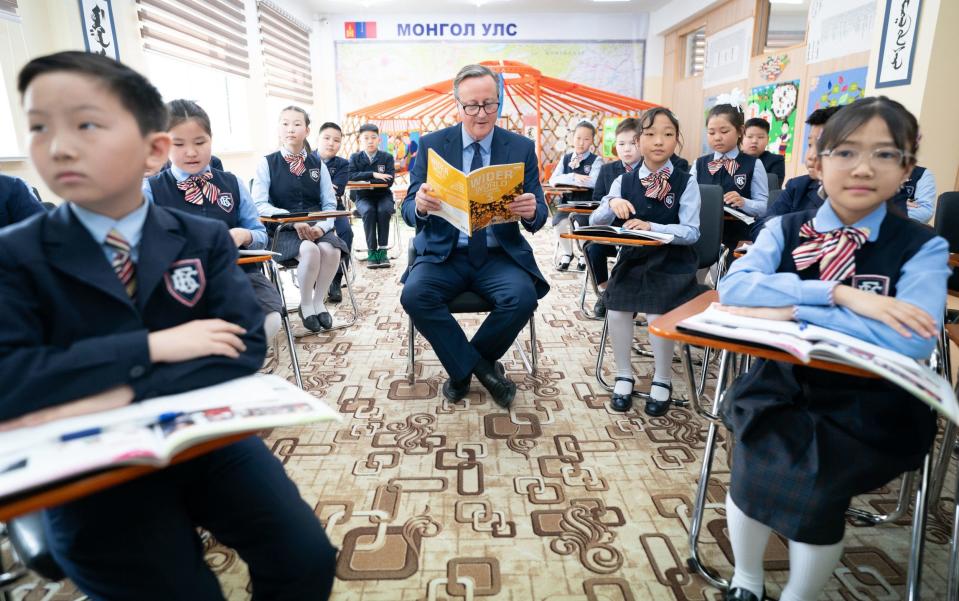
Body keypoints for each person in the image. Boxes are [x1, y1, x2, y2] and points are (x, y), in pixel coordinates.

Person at [0, 51, 336, 601]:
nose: (57, 146)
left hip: (204, 439)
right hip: (90, 468)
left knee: (305, 557)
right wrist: (154, 346)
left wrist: (102, 387)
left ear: (153, 149)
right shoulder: (15, 256)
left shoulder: (201, 238)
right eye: (39, 127)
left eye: (86, 125)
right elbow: (11, 379)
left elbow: (243, 346)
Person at [716, 96, 948, 601]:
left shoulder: (920, 246)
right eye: (846, 152)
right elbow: (735, 289)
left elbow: (913, 336)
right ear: (818, 161)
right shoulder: (784, 228)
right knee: (752, 465)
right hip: (780, 386)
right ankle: (747, 579)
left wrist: (789, 308)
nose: (863, 167)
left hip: (873, 403)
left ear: (906, 167)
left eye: (885, 155)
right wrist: (839, 295)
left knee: (817, 484)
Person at [400, 63, 549, 409]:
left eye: (490, 104)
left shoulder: (520, 147)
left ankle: (462, 368)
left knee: (523, 297)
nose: (481, 114)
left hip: (499, 256)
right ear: (457, 104)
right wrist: (420, 205)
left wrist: (530, 210)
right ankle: (483, 369)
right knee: (415, 295)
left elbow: (540, 213)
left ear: (499, 102)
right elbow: (408, 209)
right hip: (443, 254)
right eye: (472, 105)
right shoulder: (434, 145)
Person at [590, 107, 702, 417]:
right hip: (634, 258)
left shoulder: (685, 181)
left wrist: (654, 227)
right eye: (650, 134)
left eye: (668, 134)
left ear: (676, 140)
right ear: (638, 141)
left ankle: (663, 378)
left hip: (673, 260)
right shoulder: (624, 181)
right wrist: (611, 203)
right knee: (616, 308)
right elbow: (597, 218)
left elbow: (691, 232)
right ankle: (624, 374)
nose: (658, 141)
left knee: (656, 312)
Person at [144, 99, 282, 341]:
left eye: (200, 142)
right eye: (179, 144)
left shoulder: (232, 183)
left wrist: (243, 235)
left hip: (238, 275)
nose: (191, 152)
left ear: (211, 140)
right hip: (181, 280)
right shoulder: (152, 189)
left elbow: (260, 235)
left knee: (270, 318)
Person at [252, 106, 348, 332]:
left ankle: (318, 302)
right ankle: (306, 304)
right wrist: (292, 221)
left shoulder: (317, 164)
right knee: (310, 251)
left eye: (296, 124)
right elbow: (259, 204)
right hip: (282, 229)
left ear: (307, 130)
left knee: (332, 250)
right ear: (278, 128)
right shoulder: (267, 163)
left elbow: (329, 204)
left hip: (316, 225)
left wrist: (323, 227)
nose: (290, 129)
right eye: (284, 123)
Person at [749, 106, 841, 240]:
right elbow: (759, 227)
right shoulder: (797, 187)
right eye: (810, 145)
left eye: (822, 146)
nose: (810, 156)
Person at [692, 104, 768, 255]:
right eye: (711, 132)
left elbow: (764, 207)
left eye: (724, 131)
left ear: (740, 131)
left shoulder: (754, 164)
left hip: (739, 237)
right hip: (702, 235)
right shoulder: (699, 164)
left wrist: (744, 202)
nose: (717, 137)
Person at [585, 118, 642, 318]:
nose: (627, 149)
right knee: (593, 248)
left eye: (633, 143)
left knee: (631, 252)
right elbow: (597, 200)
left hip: (639, 230)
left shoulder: (650, 170)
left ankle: (625, 295)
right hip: (611, 228)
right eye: (621, 144)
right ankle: (606, 290)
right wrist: (612, 203)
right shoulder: (608, 170)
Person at [548, 120, 602, 271]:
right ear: (573, 138)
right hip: (567, 203)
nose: (581, 142)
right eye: (578, 138)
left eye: (586, 139)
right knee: (559, 224)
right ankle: (567, 253)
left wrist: (571, 179)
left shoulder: (595, 160)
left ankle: (583, 255)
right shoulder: (566, 158)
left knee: (579, 225)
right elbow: (553, 180)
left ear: (592, 141)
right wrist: (573, 176)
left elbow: (592, 182)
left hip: (586, 204)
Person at [312, 121, 353, 303]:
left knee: (346, 232)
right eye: (326, 138)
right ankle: (315, 278)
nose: (331, 143)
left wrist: (320, 189)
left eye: (336, 140)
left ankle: (336, 279)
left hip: (335, 209)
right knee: (312, 236)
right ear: (318, 139)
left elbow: (337, 190)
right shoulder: (305, 160)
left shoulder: (343, 164)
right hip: (311, 209)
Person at [349, 123, 395, 268]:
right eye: (366, 138)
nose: (370, 141)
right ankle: (371, 253)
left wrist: (364, 180)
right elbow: (350, 176)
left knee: (383, 210)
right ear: (359, 140)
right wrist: (373, 174)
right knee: (369, 211)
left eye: (373, 137)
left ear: (379, 139)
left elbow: (389, 180)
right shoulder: (355, 157)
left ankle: (382, 252)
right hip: (363, 196)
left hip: (383, 196)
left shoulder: (387, 157)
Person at [742, 117, 785, 184]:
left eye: (760, 137)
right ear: (742, 138)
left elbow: (772, 187)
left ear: (767, 140)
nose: (754, 141)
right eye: (750, 136)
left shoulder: (776, 161)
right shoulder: (733, 158)